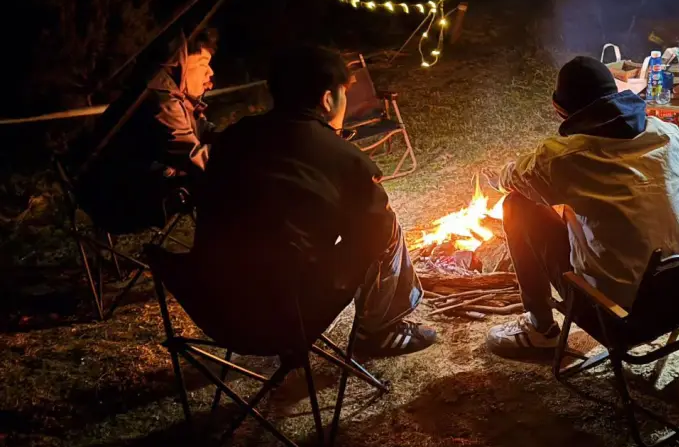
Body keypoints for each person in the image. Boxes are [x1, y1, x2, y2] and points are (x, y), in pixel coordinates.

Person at [194, 46, 435, 356]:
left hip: (214, 307)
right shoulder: (342, 158)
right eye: (344, 93)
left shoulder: (233, 138)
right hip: (287, 313)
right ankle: (378, 331)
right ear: (327, 99)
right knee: (385, 230)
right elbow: (376, 232)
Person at [485, 56, 679, 359]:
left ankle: (540, 328)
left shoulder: (564, 158)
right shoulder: (667, 133)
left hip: (616, 311)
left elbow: (517, 179)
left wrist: (499, 178)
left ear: (559, 110)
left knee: (518, 205)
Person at [75, 29, 219, 233]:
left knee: (213, 180)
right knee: (217, 182)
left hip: (137, 185)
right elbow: (192, 156)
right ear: (182, 61)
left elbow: (202, 129)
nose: (210, 74)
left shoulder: (176, 96)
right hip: (117, 199)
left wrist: (233, 139)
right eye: (203, 64)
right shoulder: (159, 97)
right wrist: (236, 158)